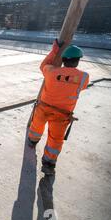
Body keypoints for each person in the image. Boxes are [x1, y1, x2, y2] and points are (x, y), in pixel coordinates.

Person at [27, 40, 89, 176]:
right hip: (62, 115)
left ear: (63, 59)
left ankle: (32, 141)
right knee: (55, 139)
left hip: (43, 108)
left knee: (36, 127)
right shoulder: (84, 77)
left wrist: (54, 51)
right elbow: (82, 87)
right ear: (77, 61)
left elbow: (43, 65)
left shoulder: (51, 71)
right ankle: (48, 164)